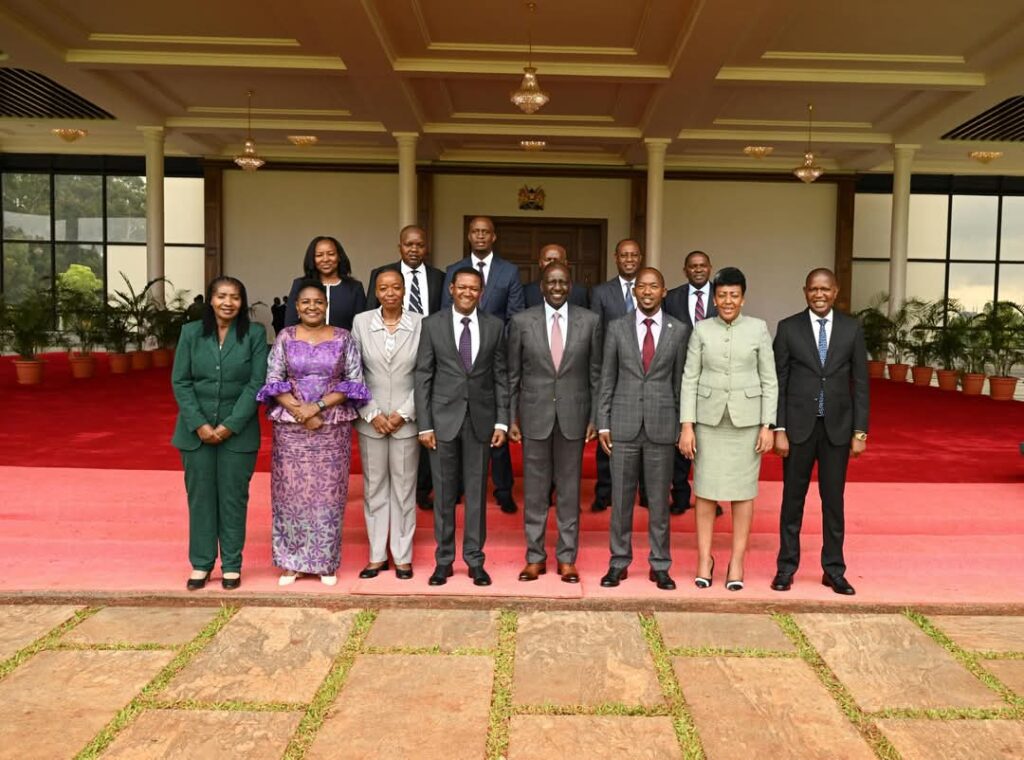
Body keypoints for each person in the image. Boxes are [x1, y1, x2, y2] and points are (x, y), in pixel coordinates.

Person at [258, 279, 370, 587]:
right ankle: (291, 562)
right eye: (306, 302)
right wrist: (300, 411)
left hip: (331, 426)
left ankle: (324, 561)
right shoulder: (285, 336)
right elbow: (273, 379)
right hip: (291, 429)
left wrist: (317, 407)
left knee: (329, 495)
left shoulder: (344, 337)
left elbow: (354, 382)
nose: (312, 307)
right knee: (289, 495)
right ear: (296, 306)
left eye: (318, 302)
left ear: (326, 305)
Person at [679, 267, 778, 592]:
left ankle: (737, 561)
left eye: (734, 295)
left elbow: (769, 380)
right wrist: (687, 426)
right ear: (714, 298)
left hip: (746, 424)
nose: (728, 301)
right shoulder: (701, 329)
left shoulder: (758, 328)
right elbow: (690, 378)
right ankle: (704, 559)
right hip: (708, 423)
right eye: (722, 295)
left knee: (743, 493)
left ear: (743, 298)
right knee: (705, 492)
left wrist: (767, 425)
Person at [771, 268, 869, 596]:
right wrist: (779, 428)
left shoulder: (852, 328)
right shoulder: (788, 328)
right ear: (805, 292)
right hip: (798, 428)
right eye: (813, 289)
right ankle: (786, 568)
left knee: (833, 502)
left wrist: (860, 431)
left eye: (825, 289)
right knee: (792, 501)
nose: (819, 294)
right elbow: (778, 381)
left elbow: (861, 383)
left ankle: (834, 570)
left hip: (837, 429)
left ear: (835, 291)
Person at [508, 261, 602, 584]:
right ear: (542, 286)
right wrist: (510, 418)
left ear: (570, 286)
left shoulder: (590, 321)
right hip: (533, 416)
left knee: (569, 491)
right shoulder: (522, 322)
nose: (557, 287)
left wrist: (595, 418)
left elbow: (596, 375)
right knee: (534, 492)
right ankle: (534, 557)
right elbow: (512, 375)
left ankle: (566, 558)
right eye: (552, 282)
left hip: (574, 417)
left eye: (563, 282)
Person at [171, 277, 268, 591]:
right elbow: (181, 381)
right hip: (194, 432)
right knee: (200, 499)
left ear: (242, 302)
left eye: (235, 297)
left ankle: (231, 565)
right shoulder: (190, 333)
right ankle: (201, 563)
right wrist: (199, 423)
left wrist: (230, 425)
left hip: (238, 433)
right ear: (211, 300)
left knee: (233, 499)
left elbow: (257, 383)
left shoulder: (254, 334)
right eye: (222, 296)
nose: (228, 303)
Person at [416, 267, 509, 587]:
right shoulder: (432, 325)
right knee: (443, 494)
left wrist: (502, 420)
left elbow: (501, 375)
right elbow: (423, 375)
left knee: (476, 493)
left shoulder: (495, 326)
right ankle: (443, 561)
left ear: (481, 293)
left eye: (474, 288)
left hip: (480, 420)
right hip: (442, 420)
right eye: (463, 287)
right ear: (452, 289)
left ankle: (474, 560)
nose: (468, 293)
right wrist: (424, 425)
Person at [597, 267, 690, 591]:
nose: (647, 291)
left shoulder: (679, 330)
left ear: (664, 291)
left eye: (654, 286)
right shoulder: (617, 327)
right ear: (634, 292)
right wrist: (603, 422)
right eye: (642, 286)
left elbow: (681, 382)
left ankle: (660, 565)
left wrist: (682, 425)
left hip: (662, 426)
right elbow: (607, 378)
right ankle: (618, 562)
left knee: (659, 502)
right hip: (623, 424)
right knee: (621, 500)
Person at [441, 216, 523, 513]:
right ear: (469, 235)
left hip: (493, 355)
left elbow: (515, 314)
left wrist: (494, 344)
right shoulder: (453, 270)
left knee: (494, 422)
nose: (480, 236)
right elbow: (445, 313)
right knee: (459, 425)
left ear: (493, 236)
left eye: (485, 232)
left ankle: (503, 490)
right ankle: (457, 488)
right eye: (475, 231)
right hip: (459, 360)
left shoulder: (509, 271)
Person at [364, 224, 445, 511]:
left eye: (419, 244)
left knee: (424, 422)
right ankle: (388, 490)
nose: (414, 249)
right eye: (408, 244)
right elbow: (369, 315)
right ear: (399, 246)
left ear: (426, 248)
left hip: (429, 354)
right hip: (391, 355)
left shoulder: (439, 278)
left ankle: (422, 488)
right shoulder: (381, 274)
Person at [351, 270, 423, 581]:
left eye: (396, 287)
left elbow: (426, 373)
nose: (390, 292)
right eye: (384, 288)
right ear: (376, 292)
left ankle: (403, 556)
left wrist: (404, 413)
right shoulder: (361, 322)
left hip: (406, 421)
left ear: (404, 290)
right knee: (374, 488)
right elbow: (353, 371)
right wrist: (371, 412)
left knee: (404, 490)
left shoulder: (420, 324)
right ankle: (377, 555)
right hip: (372, 421)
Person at [588, 238, 645, 512]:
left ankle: (645, 492)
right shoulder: (601, 292)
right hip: (612, 372)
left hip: (644, 372)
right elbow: (596, 335)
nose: (629, 259)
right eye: (624, 255)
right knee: (607, 432)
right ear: (616, 258)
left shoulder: (650, 287)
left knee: (645, 432)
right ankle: (605, 492)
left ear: (640, 257)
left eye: (634, 255)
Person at [664, 250, 720, 516]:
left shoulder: (722, 295)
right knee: (680, 437)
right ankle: (680, 496)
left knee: (710, 442)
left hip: (713, 376)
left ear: (710, 268)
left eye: (702, 265)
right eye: (693, 266)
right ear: (685, 270)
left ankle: (711, 499)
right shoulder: (672, 298)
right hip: (679, 375)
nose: (698, 269)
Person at [284, 236, 366, 331]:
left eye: (331, 254)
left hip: (345, 340)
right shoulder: (300, 285)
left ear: (339, 257)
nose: (325, 259)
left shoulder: (354, 287)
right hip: (304, 340)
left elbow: (361, 327)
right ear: (312, 259)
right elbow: (290, 324)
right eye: (319, 255)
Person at [523, 244, 590, 308]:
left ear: (565, 263)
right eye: (548, 259)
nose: (552, 263)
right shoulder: (527, 292)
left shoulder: (580, 293)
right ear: (540, 263)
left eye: (556, 260)